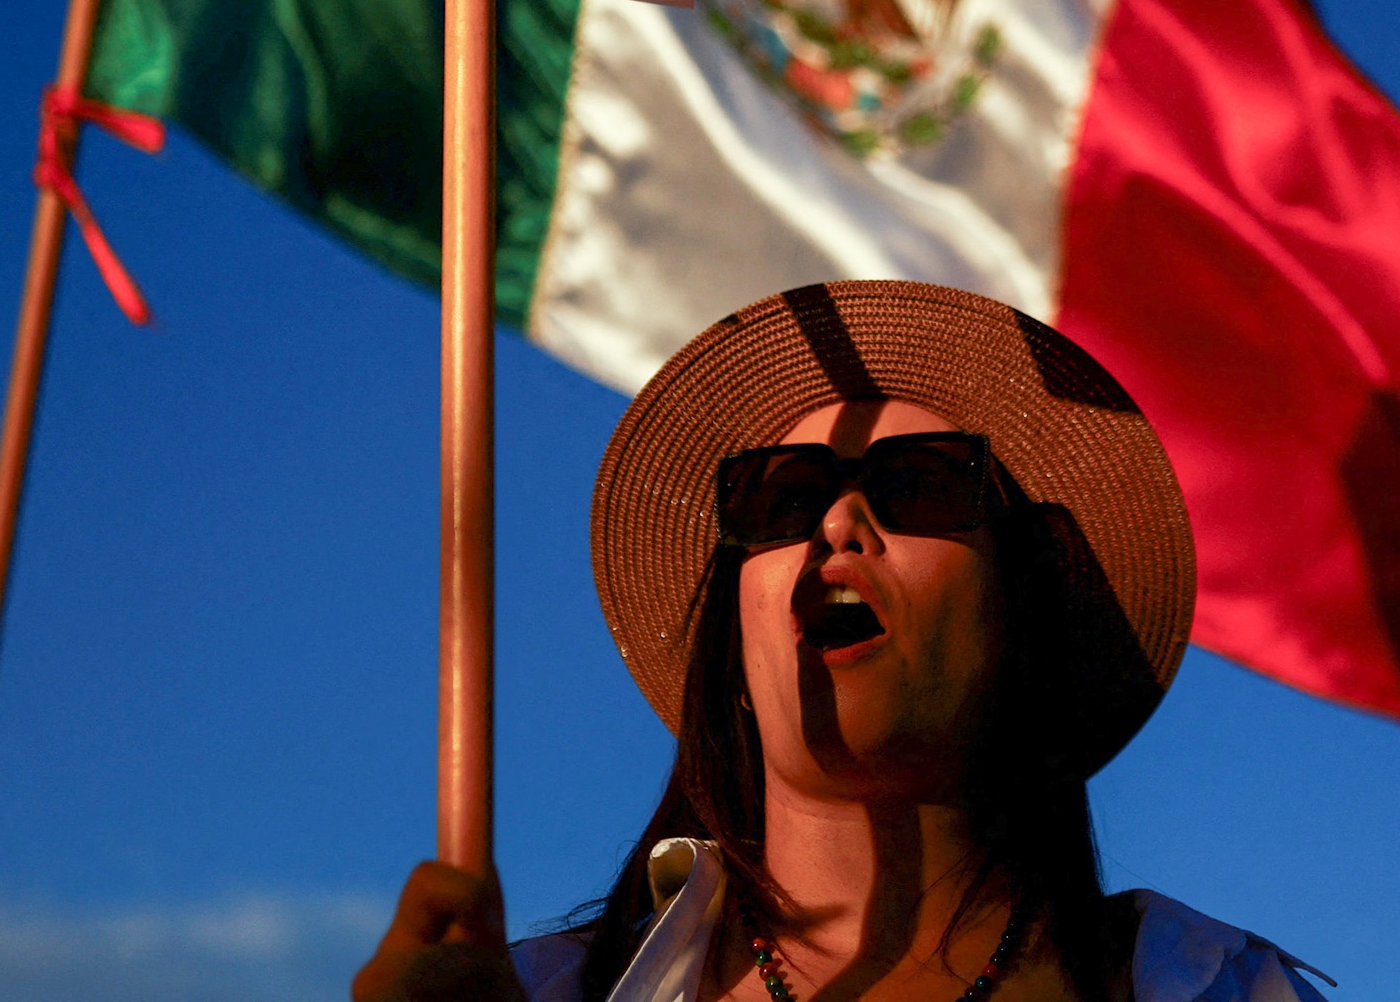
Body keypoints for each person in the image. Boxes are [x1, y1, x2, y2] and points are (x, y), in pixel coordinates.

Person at [355, 281, 1331, 1002]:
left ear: (1019, 617)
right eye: (782, 497)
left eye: (921, 484)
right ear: (733, 652)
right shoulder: (534, 996)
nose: (838, 523)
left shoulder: (1208, 987)